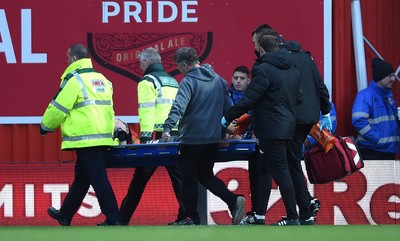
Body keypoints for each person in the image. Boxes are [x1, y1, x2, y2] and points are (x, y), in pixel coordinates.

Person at [222, 33, 303, 225]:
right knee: (265, 170)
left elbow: (249, 100)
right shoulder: (293, 70)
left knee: (280, 172)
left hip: (270, 128)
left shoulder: (264, 70)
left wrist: (226, 117)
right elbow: (298, 98)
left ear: (262, 49)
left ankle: (292, 217)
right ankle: (259, 215)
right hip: (287, 125)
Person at [162, 47, 245, 225]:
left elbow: (179, 106)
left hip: (192, 139)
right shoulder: (219, 81)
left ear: (184, 65)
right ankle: (232, 200)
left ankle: (192, 218)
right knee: (205, 175)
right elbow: (227, 110)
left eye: (179, 67)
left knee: (188, 179)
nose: (179, 70)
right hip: (212, 139)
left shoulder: (188, 81)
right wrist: (222, 133)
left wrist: (168, 126)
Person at [41, 43, 121, 226]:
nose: (67, 61)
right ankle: (65, 214)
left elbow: (59, 107)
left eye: (68, 58)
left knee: (99, 180)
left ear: (74, 59)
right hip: (101, 137)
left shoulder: (75, 80)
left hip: (86, 139)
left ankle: (114, 218)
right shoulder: (103, 79)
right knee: (82, 179)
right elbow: (109, 111)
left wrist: (46, 126)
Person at [119, 47, 186, 225]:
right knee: (179, 179)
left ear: (148, 61)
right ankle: (186, 217)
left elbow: (147, 111)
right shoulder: (172, 81)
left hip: (156, 138)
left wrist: (146, 139)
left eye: (141, 62)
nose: (140, 66)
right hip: (175, 136)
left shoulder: (147, 81)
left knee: (139, 180)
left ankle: (120, 219)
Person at [352, 58, 399, 160]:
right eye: (389, 75)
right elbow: (358, 121)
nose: (393, 78)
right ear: (379, 77)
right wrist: (377, 138)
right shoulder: (365, 96)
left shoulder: (388, 96)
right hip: (372, 152)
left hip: (389, 151)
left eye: (393, 75)